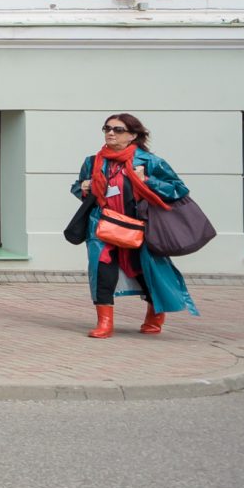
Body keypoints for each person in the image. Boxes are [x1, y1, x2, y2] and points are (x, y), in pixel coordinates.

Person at [72, 111, 198, 337]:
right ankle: (104, 323)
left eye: (118, 129)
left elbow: (178, 189)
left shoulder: (150, 162)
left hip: (140, 227)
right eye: (107, 128)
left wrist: (146, 180)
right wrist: (82, 188)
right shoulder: (92, 162)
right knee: (102, 272)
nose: (111, 133)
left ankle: (155, 315)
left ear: (132, 135)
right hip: (102, 226)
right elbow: (77, 186)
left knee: (147, 272)